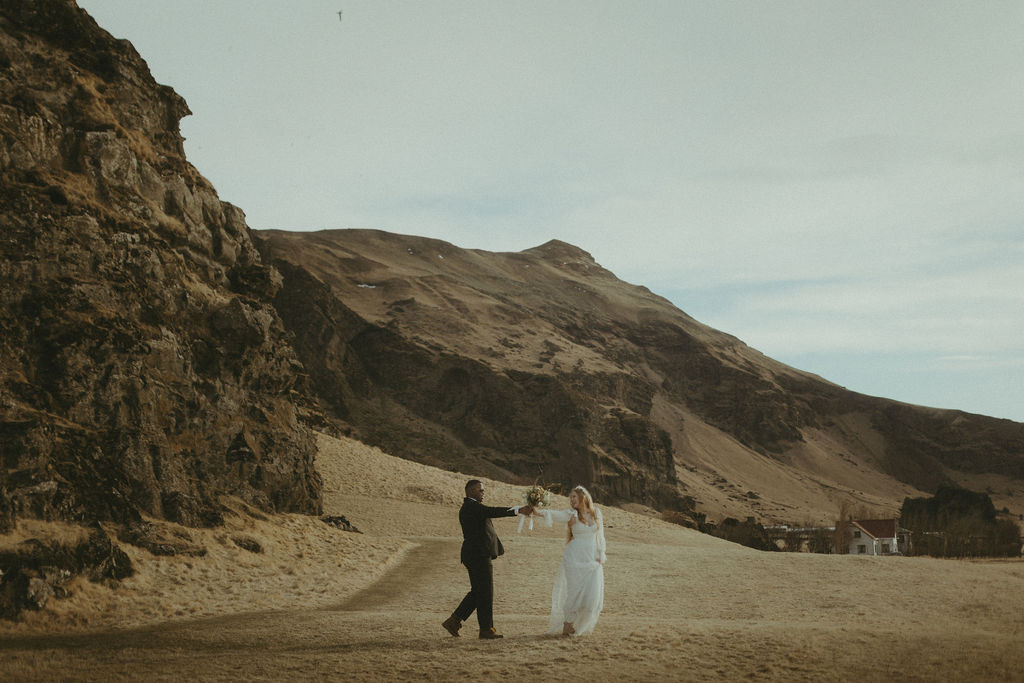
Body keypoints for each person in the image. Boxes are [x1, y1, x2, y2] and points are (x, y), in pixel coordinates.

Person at [442, 479, 533, 639]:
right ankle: (485, 629)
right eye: (480, 490)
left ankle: (455, 621)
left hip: (476, 554)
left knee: (479, 592)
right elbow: (494, 511)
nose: (483, 493)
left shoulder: (472, 507)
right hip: (478, 555)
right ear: (470, 491)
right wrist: (518, 510)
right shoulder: (471, 506)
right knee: (485, 592)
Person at [535, 485, 606, 636]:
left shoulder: (596, 513)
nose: (572, 500)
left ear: (583, 497)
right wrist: (537, 512)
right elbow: (554, 515)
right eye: (570, 497)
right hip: (574, 558)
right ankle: (568, 624)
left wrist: (601, 554)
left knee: (591, 596)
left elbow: (600, 537)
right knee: (574, 592)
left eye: (574, 496)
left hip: (592, 559)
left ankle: (580, 623)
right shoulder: (571, 514)